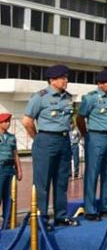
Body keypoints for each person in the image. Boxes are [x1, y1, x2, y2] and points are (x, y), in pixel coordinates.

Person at [22, 64, 79, 227]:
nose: (66, 81)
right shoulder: (40, 97)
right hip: (46, 139)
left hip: (64, 140)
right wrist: (38, 138)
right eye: (63, 78)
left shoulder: (68, 97)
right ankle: (41, 218)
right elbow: (27, 121)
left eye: (66, 78)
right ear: (52, 80)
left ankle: (61, 216)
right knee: (43, 182)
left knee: (62, 180)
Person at [77, 68, 107, 221]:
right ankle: (90, 209)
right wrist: (85, 134)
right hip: (95, 137)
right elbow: (80, 118)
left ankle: (105, 206)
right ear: (100, 84)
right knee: (92, 174)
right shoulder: (91, 98)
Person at [0, 113, 22, 227]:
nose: (8, 124)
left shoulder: (12, 137)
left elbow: (15, 154)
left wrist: (19, 169)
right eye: (5, 122)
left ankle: (8, 221)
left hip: (10, 168)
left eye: (9, 121)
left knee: (9, 196)